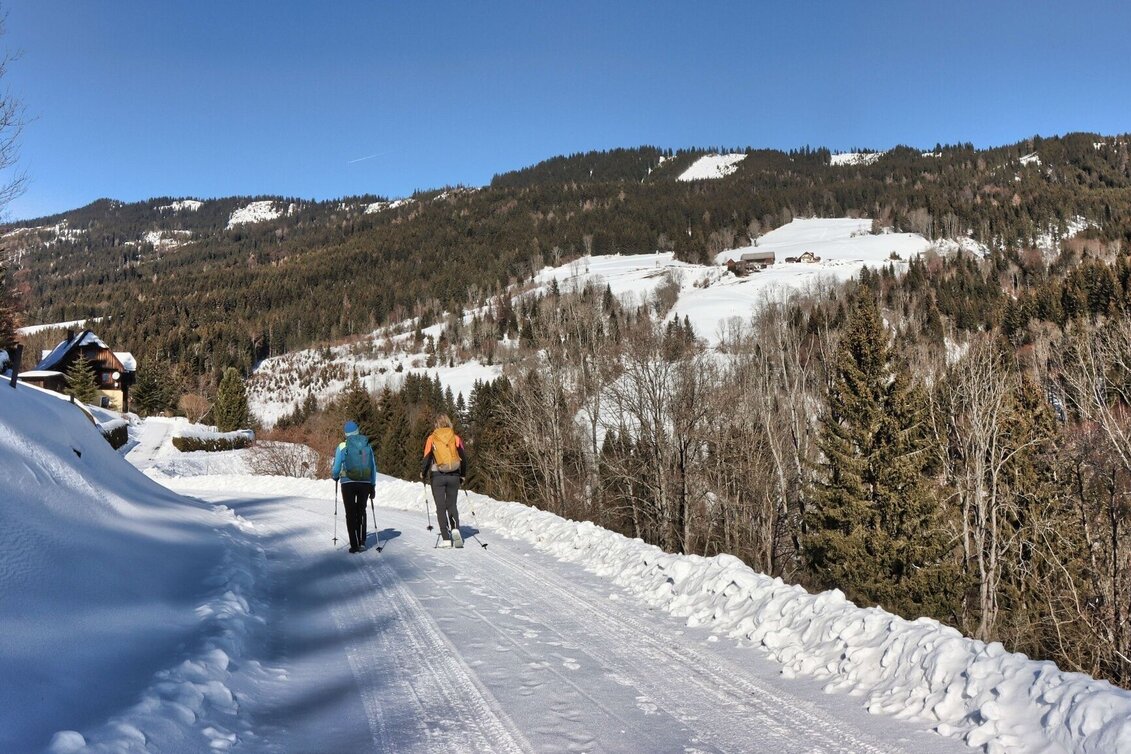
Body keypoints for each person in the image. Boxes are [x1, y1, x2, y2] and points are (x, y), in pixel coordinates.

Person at [332, 420, 377, 553]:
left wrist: (335, 476)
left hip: (348, 483)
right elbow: (373, 466)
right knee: (361, 511)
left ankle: (354, 544)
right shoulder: (367, 445)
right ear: (357, 430)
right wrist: (372, 485)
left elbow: (336, 467)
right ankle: (362, 542)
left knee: (350, 512)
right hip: (365, 482)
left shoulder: (342, 446)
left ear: (346, 433)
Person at [420, 414, 466, 544]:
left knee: (440, 507)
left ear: (436, 424)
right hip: (454, 475)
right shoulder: (455, 438)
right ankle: (455, 529)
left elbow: (427, 458)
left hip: (437, 476)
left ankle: (446, 538)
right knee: (452, 505)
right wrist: (463, 475)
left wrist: (423, 473)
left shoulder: (432, 438)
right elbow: (463, 457)